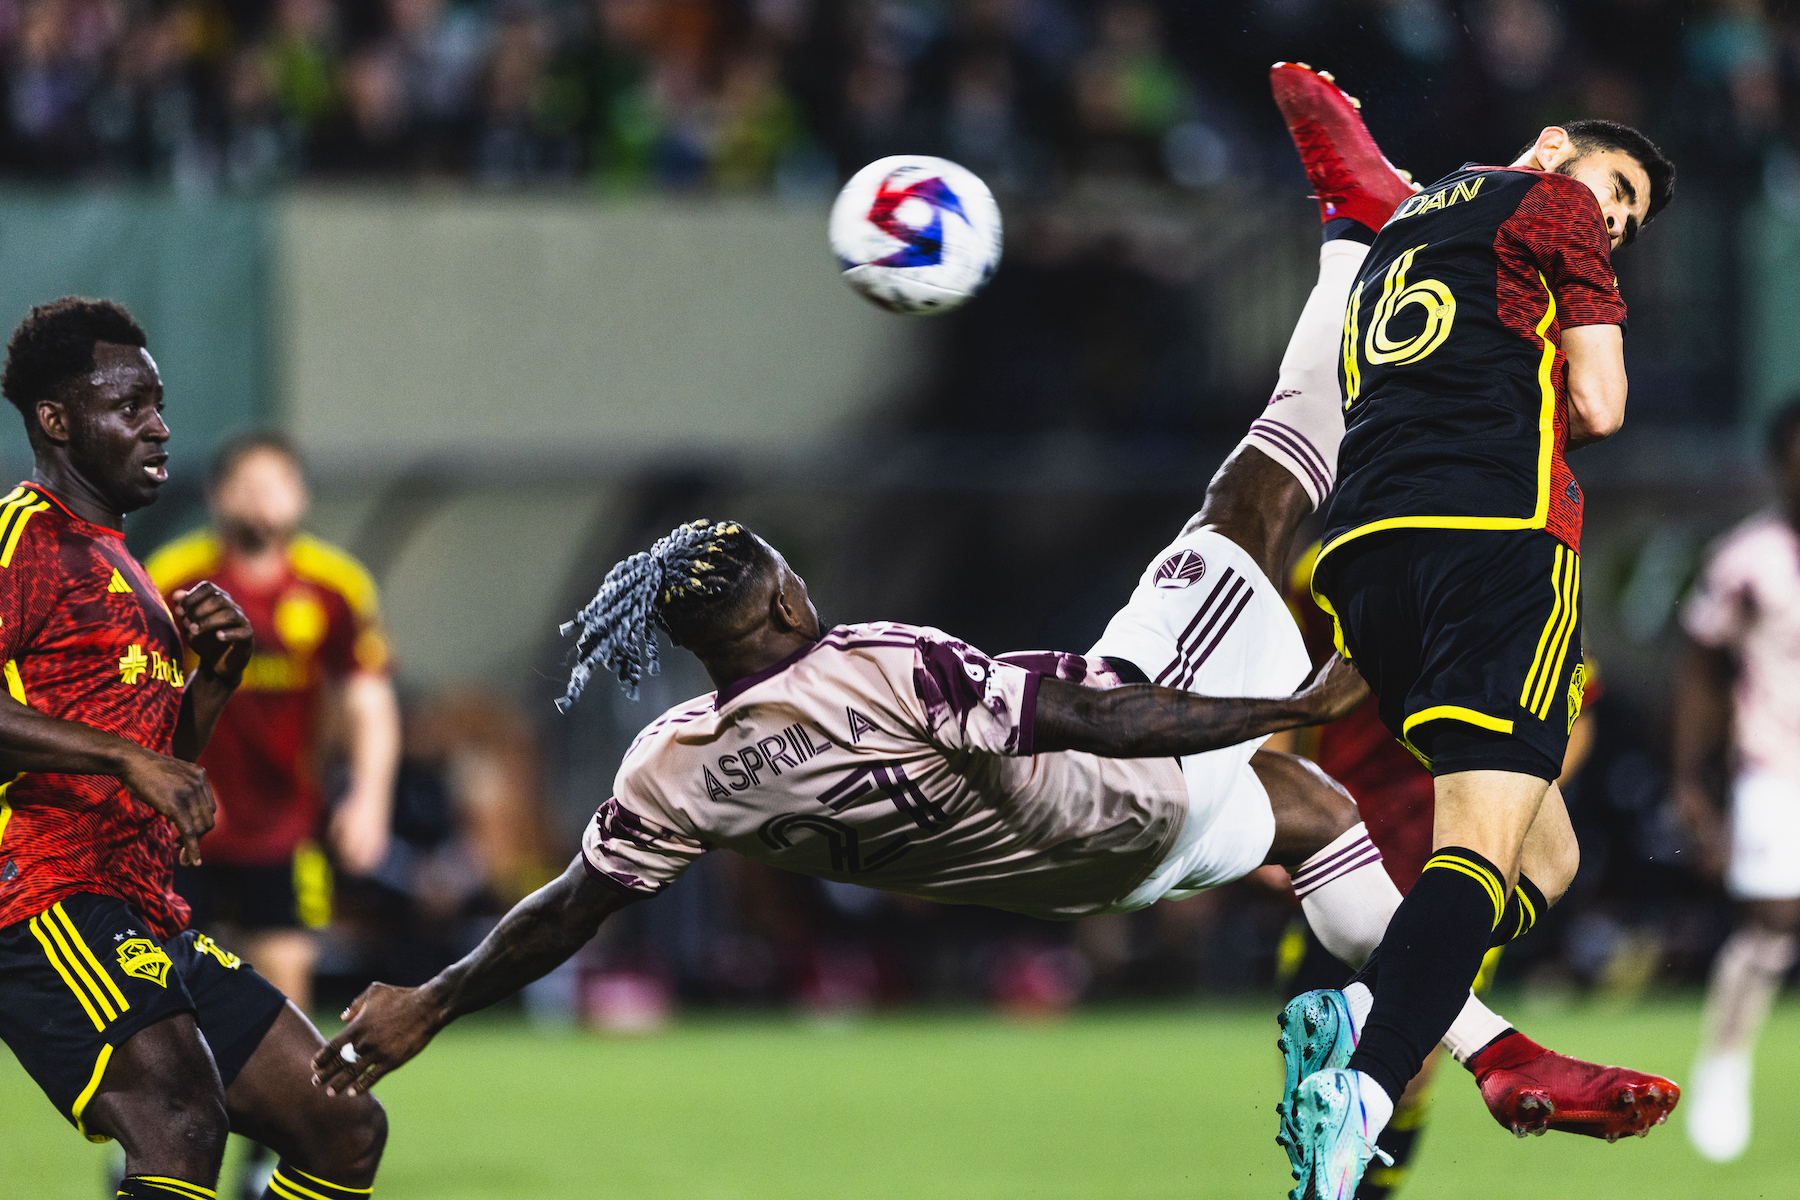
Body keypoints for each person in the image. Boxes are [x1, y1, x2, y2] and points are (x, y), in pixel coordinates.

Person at [310, 73, 1667, 1154]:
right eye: (786, 571)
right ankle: (1349, 227)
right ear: (781, 599)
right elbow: (1085, 706)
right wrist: (1282, 706)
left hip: (1084, 883)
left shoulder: (671, 767)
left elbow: (560, 913)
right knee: (1255, 502)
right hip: (1123, 799)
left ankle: (1479, 1046)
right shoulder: (881, 666)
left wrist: (430, 999)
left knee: (1318, 822)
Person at [1277, 57, 1679, 1197]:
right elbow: (1599, 405)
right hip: (1492, 537)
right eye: (1614, 187)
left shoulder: (1408, 226)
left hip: (1362, 560)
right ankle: (1362, 1079)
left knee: (1547, 853)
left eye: (1628, 219)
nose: (1611, 218)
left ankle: (1367, 1001)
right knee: (1472, 857)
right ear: (1552, 148)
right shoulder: (1550, 208)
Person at [0, 298, 385, 1200]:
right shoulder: (24, 540)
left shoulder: (124, 565)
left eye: (160, 403)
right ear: (56, 421)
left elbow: (162, 763)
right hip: (43, 888)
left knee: (341, 1123)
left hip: (141, 900)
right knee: (178, 1117)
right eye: (129, 406)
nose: (160, 427)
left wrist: (214, 678)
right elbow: (129, 760)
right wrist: (125, 759)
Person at [1276, 542, 1604, 1198]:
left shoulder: (1525, 563)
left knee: (1413, 1056)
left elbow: (1577, 704)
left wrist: (1519, 799)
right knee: (1319, 1051)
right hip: (1342, 830)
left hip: (1458, 843)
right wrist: (1277, 792)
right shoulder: (1324, 566)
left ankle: (1355, 1190)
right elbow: (1282, 684)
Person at [145, 433, 399, 1198]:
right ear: (220, 497)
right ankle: (161, 1133)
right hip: (182, 828)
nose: (264, 497)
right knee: (167, 996)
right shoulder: (174, 578)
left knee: (284, 990)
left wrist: (370, 796)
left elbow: (369, 700)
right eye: (248, 483)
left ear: (301, 496)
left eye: (278, 481)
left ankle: (266, 1155)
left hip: (284, 828)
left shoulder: (333, 586)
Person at [1673, 397, 1800, 1162]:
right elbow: (1699, 669)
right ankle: (1724, 1061)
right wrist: (1691, 782)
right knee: (1773, 918)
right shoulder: (1745, 560)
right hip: (1774, 765)